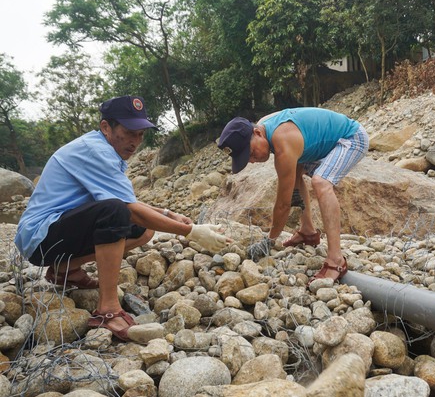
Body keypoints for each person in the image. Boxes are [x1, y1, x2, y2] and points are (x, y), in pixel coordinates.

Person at [14, 95, 231, 341]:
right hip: (39, 237)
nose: (136, 142)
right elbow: (127, 208)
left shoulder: (107, 150)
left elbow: (131, 205)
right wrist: (192, 232)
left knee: (143, 229)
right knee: (117, 212)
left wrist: (168, 214)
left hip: (56, 233)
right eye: (130, 133)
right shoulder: (94, 151)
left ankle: (65, 269)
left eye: (140, 135)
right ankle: (107, 310)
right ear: (106, 127)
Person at [217, 107, 368, 282]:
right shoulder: (265, 126)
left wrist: (269, 240)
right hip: (324, 144)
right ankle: (308, 231)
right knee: (295, 169)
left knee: (321, 182)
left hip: (351, 138)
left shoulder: (282, 141)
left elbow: (283, 204)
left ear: (257, 133)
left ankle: (336, 260)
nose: (251, 160)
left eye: (250, 153)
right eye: (246, 159)